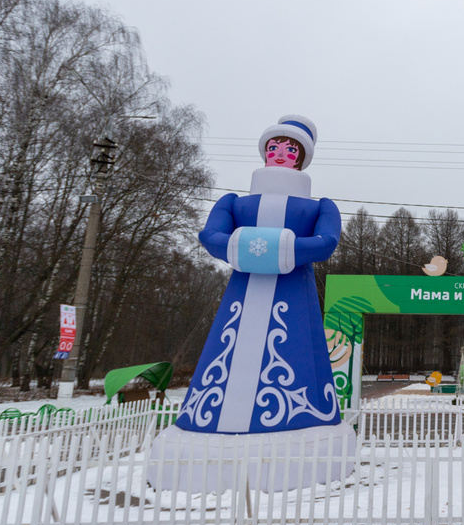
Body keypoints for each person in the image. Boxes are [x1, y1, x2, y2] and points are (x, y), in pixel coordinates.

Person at [148, 115, 354, 492]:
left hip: (295, 295)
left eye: (290, 148)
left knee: (295, 351)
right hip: (241, 294)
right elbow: (210, 236)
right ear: (264, 151)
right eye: (274, 146)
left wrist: (264, 248)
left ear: (302, 158)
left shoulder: (321, 206)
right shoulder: (234, 202)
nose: (281, 153)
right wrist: (268, 248)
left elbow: (325, 243)